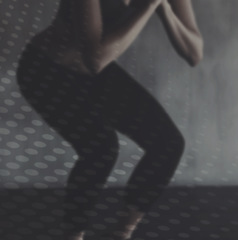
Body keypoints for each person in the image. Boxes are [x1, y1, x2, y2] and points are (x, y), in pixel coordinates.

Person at [15, 0, 202, 239]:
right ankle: (73, 236)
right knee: (101, 148)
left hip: (95, 74)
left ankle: (121, 233)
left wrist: (164, 9)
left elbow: (194, 54)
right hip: (45, 70)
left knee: (168, 144)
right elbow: (95, 59)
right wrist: (148, 7)